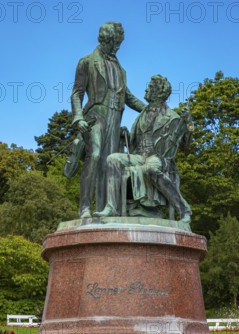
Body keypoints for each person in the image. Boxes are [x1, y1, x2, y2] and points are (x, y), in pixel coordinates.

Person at [71, 21, 145, 218]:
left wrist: (149, 109)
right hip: (95, 117)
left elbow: (128, 97)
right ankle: (85, 207)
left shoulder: (121, 70)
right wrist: (78, 116)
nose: (118, 47)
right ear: (107, 40)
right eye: (116, 43)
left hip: (115, 118)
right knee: (94, 156)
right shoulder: (86, 62)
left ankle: (106, 209)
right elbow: (77, 93)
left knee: (109, 163)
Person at [94, 75, 192, 223]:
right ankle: (111, 206)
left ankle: (183, 208)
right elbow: (135, 140)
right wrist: (125, 135)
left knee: (149, 169)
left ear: (158, 92)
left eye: (150, 87)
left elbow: (185, 146)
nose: (146, 89)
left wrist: (188, 124)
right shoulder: (143, 113)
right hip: (139, 154)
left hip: (158, 157)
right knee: (112, 159)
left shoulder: (172, 117)